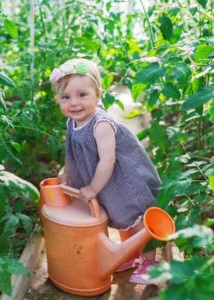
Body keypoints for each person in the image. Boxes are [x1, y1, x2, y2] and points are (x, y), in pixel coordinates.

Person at [49, 58, 161, 285]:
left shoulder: (101, 124)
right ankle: (128, 255)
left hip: (124, 179)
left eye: (82, 95)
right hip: (105, 182)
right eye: (65, 97)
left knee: (136, 217)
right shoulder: (72, 122)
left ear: (98, 93)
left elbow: (107, 161)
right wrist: (68, 172)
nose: (74, 103)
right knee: (119, 216)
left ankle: (151, 263)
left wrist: (92, 188)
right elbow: (70, 147)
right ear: (58, 99)